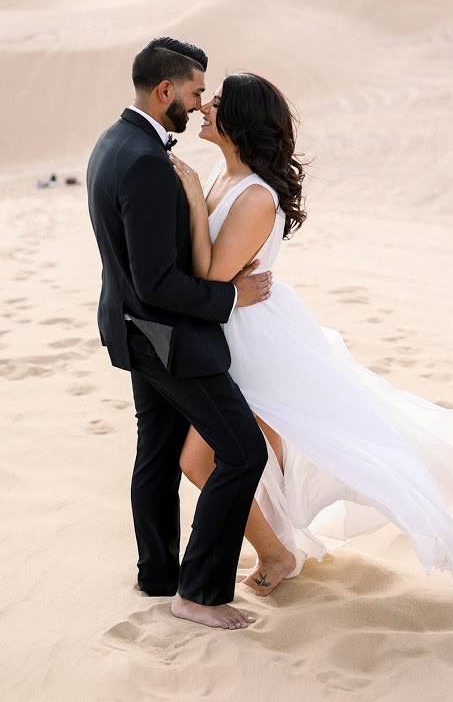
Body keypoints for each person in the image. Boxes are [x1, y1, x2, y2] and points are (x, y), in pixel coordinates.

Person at [169, 72, 453, 597]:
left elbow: (208, 280)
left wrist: (188, 199)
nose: (204, 107)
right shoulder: (222, 175)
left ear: (241, 121)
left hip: (253, 341)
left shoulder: (254, 197)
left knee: (200, 460)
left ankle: (274, 552)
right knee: (251, 450)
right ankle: (273, 546)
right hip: (232, 330)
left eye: (217, 102)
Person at [86, 38, 272, 630]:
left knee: (159, 452)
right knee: (243, 453)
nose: (198, 106)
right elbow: (158, 282)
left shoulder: (114, 142)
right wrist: (229, 296)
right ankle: (199, 594)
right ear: (164, 90)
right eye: (194, 93)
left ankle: (159, 573)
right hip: (166, 338)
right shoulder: (144, 160)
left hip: (132, 330)